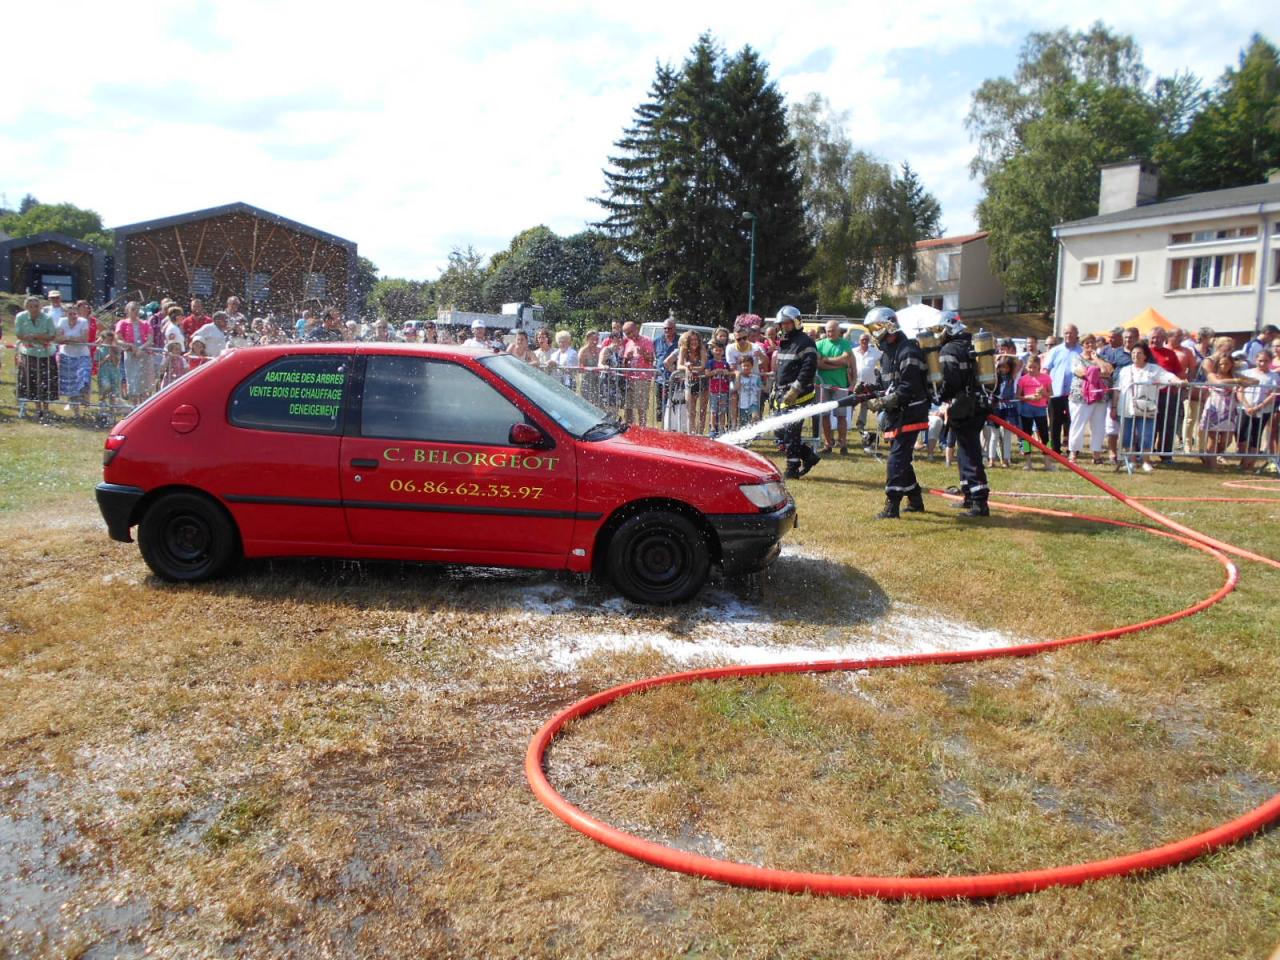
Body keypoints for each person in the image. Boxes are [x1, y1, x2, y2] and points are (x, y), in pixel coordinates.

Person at [865, 307, 929, 516]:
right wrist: (867, 390)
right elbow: (886, 385)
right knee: (900, 458)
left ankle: (892, 506)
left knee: (896, 459)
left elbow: (908, 387)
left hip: (911, 412)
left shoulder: (908, 350)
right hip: (897, 413)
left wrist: (883, 402)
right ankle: (915, 499)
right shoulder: (887, 354)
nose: (874, 334)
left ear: (888, 326)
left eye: (876, 328)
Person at [936, 315, 991, 517]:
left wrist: (939, 398)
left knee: (969, 452)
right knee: (965, 451)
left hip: (964, 407)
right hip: (978, 404)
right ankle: (969, 495)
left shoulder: (950, 350)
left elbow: (950, 382)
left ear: (947, 330)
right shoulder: (972, 345)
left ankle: (979, 502)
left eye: (939, 331)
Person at [1115, 341, 1185, 473]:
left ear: (1146, 355)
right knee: (1127, 435)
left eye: (1139, 353)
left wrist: (1178, 381)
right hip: (1126, 407)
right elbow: (1117, 390)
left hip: (1147, 407)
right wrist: (1114, 407)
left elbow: (1168, 376)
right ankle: (1131, 461)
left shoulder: (1154, 369)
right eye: (1133, 353)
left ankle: (1146, 461)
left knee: (1146, 434)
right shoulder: (1124, 370)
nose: (1136, 355)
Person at [770, 306, 821, 480]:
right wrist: (775, 389)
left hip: (800, 395)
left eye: (787, 323)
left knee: (791, 431)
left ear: (796, 322)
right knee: (779, 430)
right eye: (782, 324)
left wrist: (796, 389)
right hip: (783, 393)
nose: (784, 326)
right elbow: (781, 370)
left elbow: (809, 368)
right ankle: (809, 456)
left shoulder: (805, 342)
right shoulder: (785, 342)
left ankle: (792, 469)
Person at [1066, 334, 1114, 465]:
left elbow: (1109, 371)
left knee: (1098, 427)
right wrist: (1099, 371)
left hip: (1100, 398)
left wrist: (1097, 361)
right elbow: (1081, 372)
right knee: (1078, 425)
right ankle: (1073, 453)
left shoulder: (1102, 358)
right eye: (1087, 343)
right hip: (1081, 397)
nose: (1090, 345)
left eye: (1092, 342)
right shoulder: (1077, 358)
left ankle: (1097, 455)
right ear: (1082, 345)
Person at [1199, 338, 1240, 467]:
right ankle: (1211, 465)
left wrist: (1240, 381)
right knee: (1212, 437)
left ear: (1231, 364)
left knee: (1227, 439)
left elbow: (1252, 382)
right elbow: (1217, 383)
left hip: (1229, 409)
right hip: (1215, 407)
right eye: (1221, 364)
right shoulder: (1213, 375)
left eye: (1227, 364)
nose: (1224, 366)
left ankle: (1209, 456)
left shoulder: (1234, 376)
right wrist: (1237, 381)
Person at [815, 318, 854, 454]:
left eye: (832, 331)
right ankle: (828, 444)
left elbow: (846, 359)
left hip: (840, 385)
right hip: (822, 385)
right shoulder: (819, 344)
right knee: (824, 415)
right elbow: (817, 363)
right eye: (828, 331)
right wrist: (835, 365)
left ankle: (842, 443)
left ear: (839, 331)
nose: (830, 334)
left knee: (841, 416)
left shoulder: (845, 344)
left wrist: (826, 360)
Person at [15, 296, 57, 419]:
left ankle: (46, 409)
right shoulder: (21, 317)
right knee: (31, 380)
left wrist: (35, 336)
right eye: (31, 306)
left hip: (46, 354)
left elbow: (52, 334)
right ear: (26, 307)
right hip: (29, 353)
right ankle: (37, 409)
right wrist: (37, 337)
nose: (34, 309)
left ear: (40, 306)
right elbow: (19, 334)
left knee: (46, 381)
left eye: (36, 306)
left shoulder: (47, 318)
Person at [1043, 325, 1082, 455]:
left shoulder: (1081, 351)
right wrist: (1045, 386)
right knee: (1055, 422)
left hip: (1074, 393)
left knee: (1073, 422)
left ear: (1076, 334)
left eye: (1071, 333)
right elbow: (1046, 369)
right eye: (1066, 333)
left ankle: (1072, 449)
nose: (1068, 336)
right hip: (1055, 392)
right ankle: (1055, 449)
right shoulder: (1056, 350)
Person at [1237, 349, 1277, 468]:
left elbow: (1273, 394)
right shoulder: (1247, 373)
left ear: (1270, 361)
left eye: (1265, 361)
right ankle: (1244, 458)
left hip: (1263, 410)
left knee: (1256, 435)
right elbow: (1240, 390)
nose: (1262, 363)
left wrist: (1259, 407)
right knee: (1241, 433)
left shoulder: (1274, 376)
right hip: (1245, 408)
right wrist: (1247, 406)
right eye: (1260, 361)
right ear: (1256, 360)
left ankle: (1250, 462)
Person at [55, 299, 93, 412]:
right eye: (70, 314)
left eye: (75, 313)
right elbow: (58, 338)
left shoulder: (83, 321)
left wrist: (68, 339)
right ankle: (75, 410)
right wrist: (73, 339)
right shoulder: (62, 322)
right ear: (66, 314)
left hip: (82, 354)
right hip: (66, 355)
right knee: (70, 382)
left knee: (84, 377)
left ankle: (84, 399)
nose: (73, 316)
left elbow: (84, 339)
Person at [116, 301, 156, 405]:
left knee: (144, 381)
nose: (136, 312)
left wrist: (141, 348)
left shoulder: (145, 323)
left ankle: (144, 404)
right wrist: (131, 346)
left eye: (137, 309)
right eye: (133, 309)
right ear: (127, 311)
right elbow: (118, 339)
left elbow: (150, 340)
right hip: (130, 354)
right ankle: (134, 405)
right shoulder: (122, 323)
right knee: (133, 379)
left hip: (143, 355)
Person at [1016, 353, 1052, 469]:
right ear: (1026, 367)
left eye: (1034, 367)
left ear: (1039, 367)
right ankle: (1028, 462)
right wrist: (1029, 397)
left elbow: (1051, 395)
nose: (1032, 370)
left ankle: (1047, 462)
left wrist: (1043, 393)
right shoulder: (1023, 379)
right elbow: (1017, 396)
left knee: (1045, 435)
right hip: (1027, 409)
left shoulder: (1046, 378)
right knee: (1025, 435)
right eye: (1029, 367)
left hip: (1041, 409)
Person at [670, 329, 708, 434]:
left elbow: (703, 366)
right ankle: (692, 432)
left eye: (696, 339)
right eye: (692, 340)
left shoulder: (702, 349)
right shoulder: (683, 349)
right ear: (687, 341)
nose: (694, 342)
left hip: (702, 380)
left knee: (703, 410)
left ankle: (700, 432)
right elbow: (679, 365)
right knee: (691, 410)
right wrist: (687, 368)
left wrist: (692, 369)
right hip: (690, 381)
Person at [619, 321, 655, 426]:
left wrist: (643, 353)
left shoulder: (647, 341)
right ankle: (630, 428)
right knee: (628, 406)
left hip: (642, 378)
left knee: (641, 407)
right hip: (630, 379)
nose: (629, 335)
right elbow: (624, 364)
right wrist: (626, 359)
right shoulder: (628, 343)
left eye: (630, 332)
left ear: (636, 329)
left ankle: (642, 428)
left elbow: (652, 359)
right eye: (627, 333)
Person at [850, 330, 881, 449]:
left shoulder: (875, 352)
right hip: (856, 383)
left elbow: (881, 361)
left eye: (866, 340)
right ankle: (848, 423)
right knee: (852, 403)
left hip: (870, 384)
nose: (864, 342)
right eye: (862, 340)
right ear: (859, 341)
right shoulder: (854, 351)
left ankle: (861, 425)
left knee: (865, 406)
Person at [988, 355, 1020, 468]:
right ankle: (991, 459)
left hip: (1008, 407)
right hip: (996, 407)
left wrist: (1006, 355)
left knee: (1007, 435)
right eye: (1002, 367)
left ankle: (1006, 459)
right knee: (994, 435)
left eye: (1006, 367)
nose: (1004, 370)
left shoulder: (1012, 377)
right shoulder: (995, 377)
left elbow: (1018, 360)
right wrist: (998, 359)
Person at [652, 314, 680, 412]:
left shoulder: (681, 341)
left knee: (674, 406)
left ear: (675, 328)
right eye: (665, 329)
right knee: (660, 407)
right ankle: (662, 426)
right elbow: (654, 358)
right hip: (660, 379)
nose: (667, 330)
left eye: (669, 328)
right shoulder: (656, 341)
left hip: (676, 379)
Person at [705, 342, 733, 435]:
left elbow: (730, 374)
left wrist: (726, 372)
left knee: (722, 410)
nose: (718, 352)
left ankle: (721, 427)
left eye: (720, 350)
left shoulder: (726, 363)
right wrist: (715, 371)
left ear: (723, 352)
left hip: (724, 390)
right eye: (716, 350)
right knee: (714, 410)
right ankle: (713, 428)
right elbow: (707, 373)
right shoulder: (710, 362)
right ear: (712, 351)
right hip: (714, 390)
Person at [735, 355, 763, 426]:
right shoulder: (740, 378)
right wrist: (737, 376)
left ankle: (755, 433)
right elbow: (736, 388)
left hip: (753, 403)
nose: (746, 368)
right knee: (744, 424)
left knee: (755, 417)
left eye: (748, 366)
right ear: (741, 366)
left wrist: (770, 378)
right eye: (744, 366)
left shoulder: (756, 378)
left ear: (752, 366)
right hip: (742, 405)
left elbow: (764, 388)